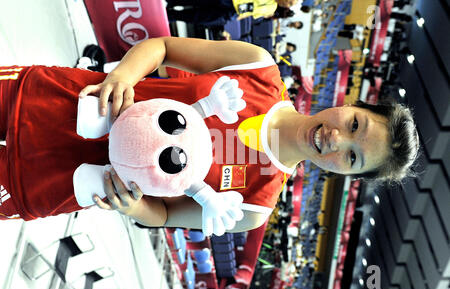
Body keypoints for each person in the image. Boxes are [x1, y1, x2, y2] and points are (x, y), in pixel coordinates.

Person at [0, 37, 419, 235]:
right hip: (52, 100)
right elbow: (163, 48)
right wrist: (125, 74)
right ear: (352, 105)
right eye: (355, 126)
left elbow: (162, 216)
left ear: (346, 176)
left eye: (351, 157)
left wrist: (133, 208)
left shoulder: (254, 206)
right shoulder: (258, 69)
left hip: (49, 183)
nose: (335, 139)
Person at [166, 0, 299, 27]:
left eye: (289, 5)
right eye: (289, 2)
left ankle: (171, 16)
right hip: (230, 0)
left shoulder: (271, 9)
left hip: (232, 12)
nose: (287, 5)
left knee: (200, 18)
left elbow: (250, 13)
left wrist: (236, 17)